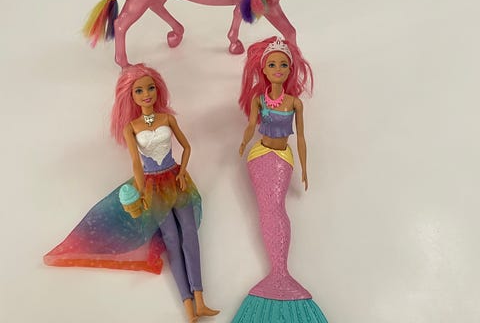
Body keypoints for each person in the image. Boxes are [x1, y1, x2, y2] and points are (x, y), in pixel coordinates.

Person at [44, 64, 219, 323]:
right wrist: (141, 190)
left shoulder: (167, 119)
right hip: (152, 186)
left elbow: (187, 147)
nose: (146, 94)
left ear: (158, 90)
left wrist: (182, 171)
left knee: (190, 234)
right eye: (139, 90)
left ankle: (200, 299)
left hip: (175, 178)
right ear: (131, 96)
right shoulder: (131, 127)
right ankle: (187, 304)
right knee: (171, 239)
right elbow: (136, 164)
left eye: (150, 88)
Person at [233, 36, 328, 322]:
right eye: (272, 64)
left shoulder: (295, 103)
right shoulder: (259, 100)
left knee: (276, 207)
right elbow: (251, 125)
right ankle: (278, 272)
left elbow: (301, 138)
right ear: (263, 70)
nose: (278, 69)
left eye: (283, 65)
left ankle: (280, 272)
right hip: (259, 155)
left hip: (283, 157)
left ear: (290, 70)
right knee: (268, 208)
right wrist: (243, 142)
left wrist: (304, 167)